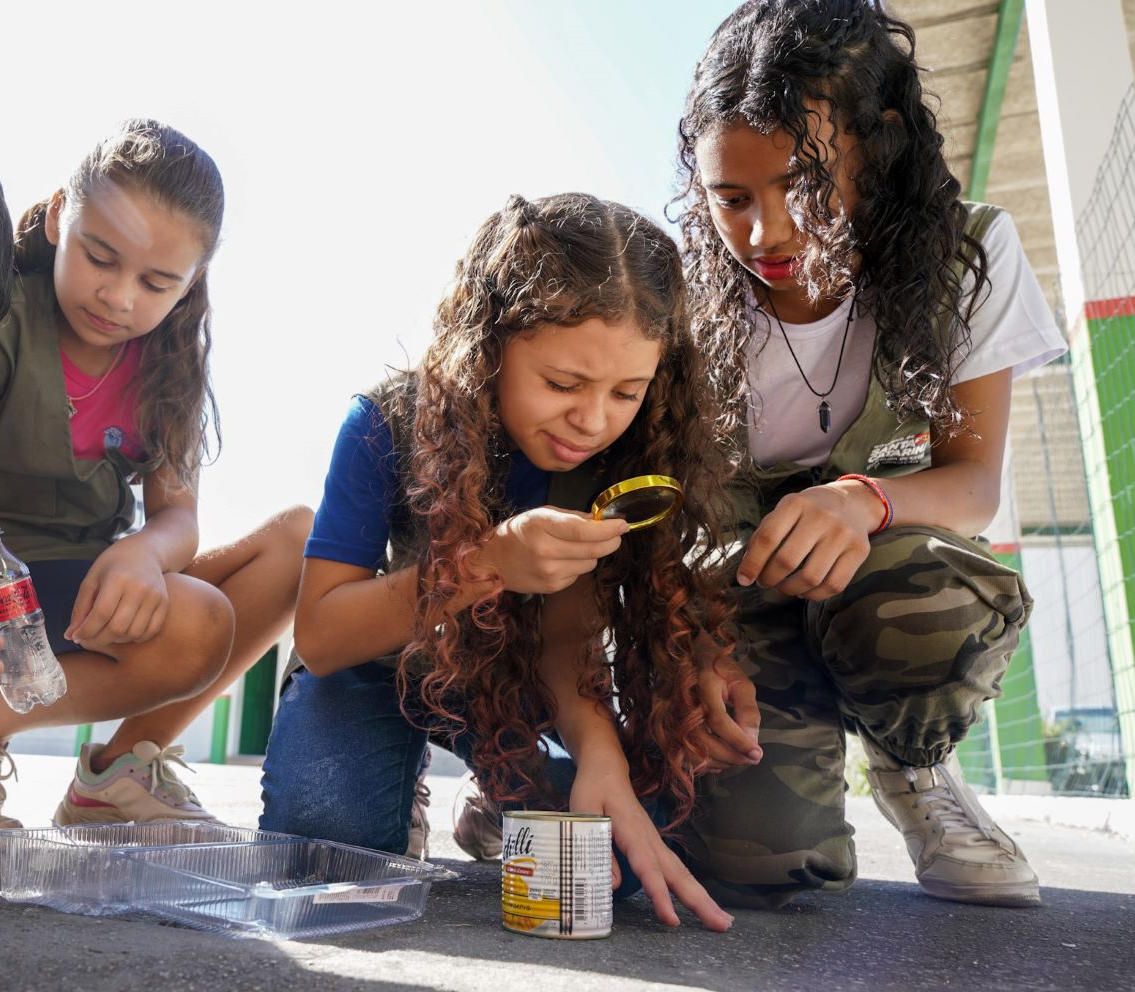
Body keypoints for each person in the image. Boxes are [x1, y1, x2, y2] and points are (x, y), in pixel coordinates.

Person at [259, 192, 760, 932]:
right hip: (374, 665)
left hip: (513, 675)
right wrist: (486, 564)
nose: (592, 421)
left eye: (626, 391)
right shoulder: (382, 425)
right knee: (326, 850)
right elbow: (323, 637)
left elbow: (567, 635)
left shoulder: (617, 453)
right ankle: (406, 784)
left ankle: (498, 793)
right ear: (489, 347)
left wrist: (601, 755)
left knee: (609, 858)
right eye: (562, 385)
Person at [674, 0, 1066, 909]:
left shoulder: (971, 254)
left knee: (927, 597)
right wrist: (689, 638)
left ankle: (912, 765)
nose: (766, 234)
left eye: (804, 185)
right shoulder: (678, 302)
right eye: (732, 199)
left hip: (877, 576)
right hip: (734, 600)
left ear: (879, 144)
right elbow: (646, 511)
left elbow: (973, 484)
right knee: (765, 863)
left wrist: (863, 500)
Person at [0, 119, 311, 852]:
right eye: (100, 257)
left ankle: (114, 775)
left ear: (191, 282)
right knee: (197, 619)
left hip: (76, 614)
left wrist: (143, 552)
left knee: (295, 538)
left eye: (156, 281)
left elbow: (179, 521)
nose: (119, 297)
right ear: (55, 216)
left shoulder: (168, 370)